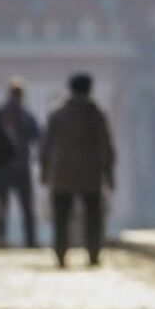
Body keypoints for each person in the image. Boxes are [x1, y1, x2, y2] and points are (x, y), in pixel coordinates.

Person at [41, 73, 114, 268]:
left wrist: (44, 171)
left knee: (61, 217)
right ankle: (93, 253)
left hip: (62, 172)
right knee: (93, 216)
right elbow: (104, 145)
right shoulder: (95, 114)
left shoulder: (57, 113)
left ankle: (60, 252)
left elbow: (46, 146)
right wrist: (108, 173)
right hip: (89, 172)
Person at [0, 77, 41, 248]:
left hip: (14, 167)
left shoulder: (14, 115)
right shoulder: (9, 115)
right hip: (7, 167)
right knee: (6, 207)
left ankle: (26, 240)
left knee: (19, 207)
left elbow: (37, 136)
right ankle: (15, 239)